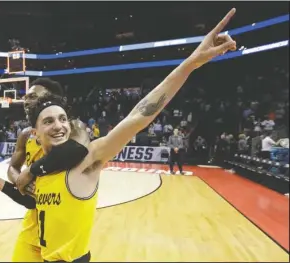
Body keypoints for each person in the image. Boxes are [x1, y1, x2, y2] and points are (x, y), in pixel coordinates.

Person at [14, 8, 237, 262]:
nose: (59, 125)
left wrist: (191, 63)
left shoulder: (87, 160)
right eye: (49, 121)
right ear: (35, 133)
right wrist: (2, 183)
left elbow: (139, 115)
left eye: (63, 119)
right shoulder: (40, 170)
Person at [0, 78, 90, 262]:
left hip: (62, 221)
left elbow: (77, 150)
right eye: (26, 97)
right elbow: (13, 168)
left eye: (32, 97)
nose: (26, 100)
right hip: (35, 217)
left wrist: (31, 170)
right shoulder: (27, 134)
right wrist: (18, 181)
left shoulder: (73, 127)